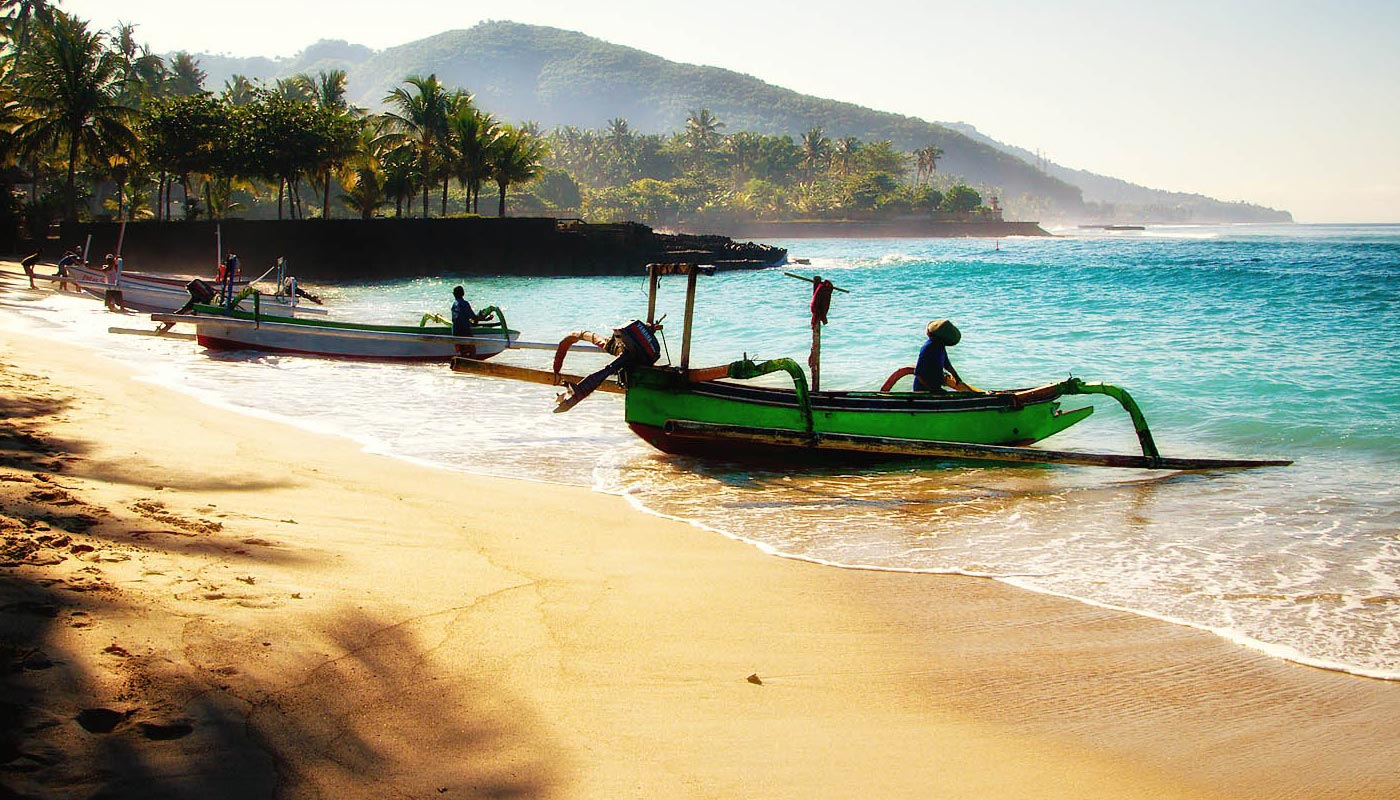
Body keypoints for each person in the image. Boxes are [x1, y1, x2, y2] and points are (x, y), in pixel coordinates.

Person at [914, 318, 975, 392]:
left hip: (935, 386)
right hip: (923, 389)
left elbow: (947, 364)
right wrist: (932, 390)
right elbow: (918, 372)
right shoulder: (928, 348)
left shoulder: (940, 346)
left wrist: (956, 377)